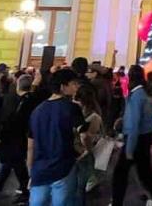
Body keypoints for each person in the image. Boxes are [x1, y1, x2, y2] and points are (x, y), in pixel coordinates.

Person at [27, 68, 87, 206]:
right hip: (63, 167)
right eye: (73, 84)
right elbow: (84, 134)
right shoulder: (72, 108)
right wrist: (85, 150)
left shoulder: (37, 111)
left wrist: (31, 171)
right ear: (63, 86)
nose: (76, 87)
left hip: (40, 170)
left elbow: (30, 145)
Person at [112, 64, 152, 206]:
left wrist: (129, 149)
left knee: (120, 174)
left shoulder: (136, 95)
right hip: (145, 137)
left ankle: (117, 202)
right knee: (145, 173)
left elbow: (134, 123)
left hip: (135, 139)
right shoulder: (148, 93)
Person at [0, 74, 37, 202]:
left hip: (13, 138)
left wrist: (0, 137)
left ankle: (23, 189)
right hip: (22, 137)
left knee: (14, 164)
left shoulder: (15, 100)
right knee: (14, 164)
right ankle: (2, 188)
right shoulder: (31, 100)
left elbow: (8, 120)